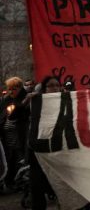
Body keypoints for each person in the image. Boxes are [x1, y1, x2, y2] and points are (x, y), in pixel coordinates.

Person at [27, 76, 60, 210]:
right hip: (38, 153)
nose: (55, 88)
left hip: (58, 153)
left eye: (57, 85)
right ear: (44, 89)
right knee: (37, 188)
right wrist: (33, 98)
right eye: (51, 86)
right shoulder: (36, 102)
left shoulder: (66, 102)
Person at [0, 77, 30, 193]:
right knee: (9, 161)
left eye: (14, 89)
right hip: (7, 138)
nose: (11, 91)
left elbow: (23, 113)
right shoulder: (6, 100)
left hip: (20, 136)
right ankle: (8, 183)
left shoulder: (26, 99)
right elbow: (2, 116)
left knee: (21, 160)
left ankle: (22, 184)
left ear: (20, 88)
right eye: (9, 89)